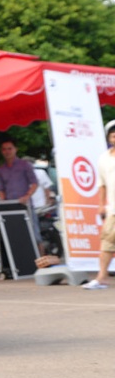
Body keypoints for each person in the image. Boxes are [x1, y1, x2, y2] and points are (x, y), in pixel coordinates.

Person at [0, 137, 43, 255]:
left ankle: (43, 263)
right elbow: (1, 189)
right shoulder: (1, 170)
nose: (7, 151)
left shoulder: (25, 165)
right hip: (10, 208)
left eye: (9, 149)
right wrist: (2, 202)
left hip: (25, 205)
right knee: (16, 237)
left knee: (34, 235)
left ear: (15, 149)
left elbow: (34, 183)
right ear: (1, 151)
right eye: (4, 149)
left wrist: (27, 196)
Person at [84, 121, 115, 289]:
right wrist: (101, 205)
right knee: (107, 243)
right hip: (113, 210)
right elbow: (101, 184)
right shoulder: (103, 158)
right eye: (113, 134)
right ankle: (102, 277)